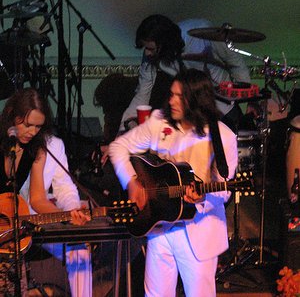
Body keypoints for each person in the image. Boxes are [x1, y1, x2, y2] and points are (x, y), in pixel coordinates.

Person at [109, 69, 238, 296]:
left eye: (180, 97)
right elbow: (118, 147)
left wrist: (202, 197)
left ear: (196, 100)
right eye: (172, 94)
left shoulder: (223, 136)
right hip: (160, 225)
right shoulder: (159, 121)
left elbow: (224, 190)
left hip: (199, 231)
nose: (172, 100)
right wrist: (131, 182)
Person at [0, 88, 89, 296]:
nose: (32, 131)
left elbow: (38, 199)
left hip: (15, 233)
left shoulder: (37, 149)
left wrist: (67, 217)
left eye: (38, 127)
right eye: (27, 124)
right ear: (13, 115)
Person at [119, 15, 251, 133]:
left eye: (150, 48)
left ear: (165, 44)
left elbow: (236, 63)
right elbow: (142, 92)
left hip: (222, 107)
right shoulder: (153, 55)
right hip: (189, 112)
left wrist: (247, 101)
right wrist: (122, 130)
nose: (147, 53)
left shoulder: (201, 33)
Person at [20, 135, 92, 297]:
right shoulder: (8, 143)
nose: (32, 130)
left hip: (41, 223)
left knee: (79, 249)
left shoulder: (53, 145)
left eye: (38, 125)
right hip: (10, 222)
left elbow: (65, 187)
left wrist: (72, 210)